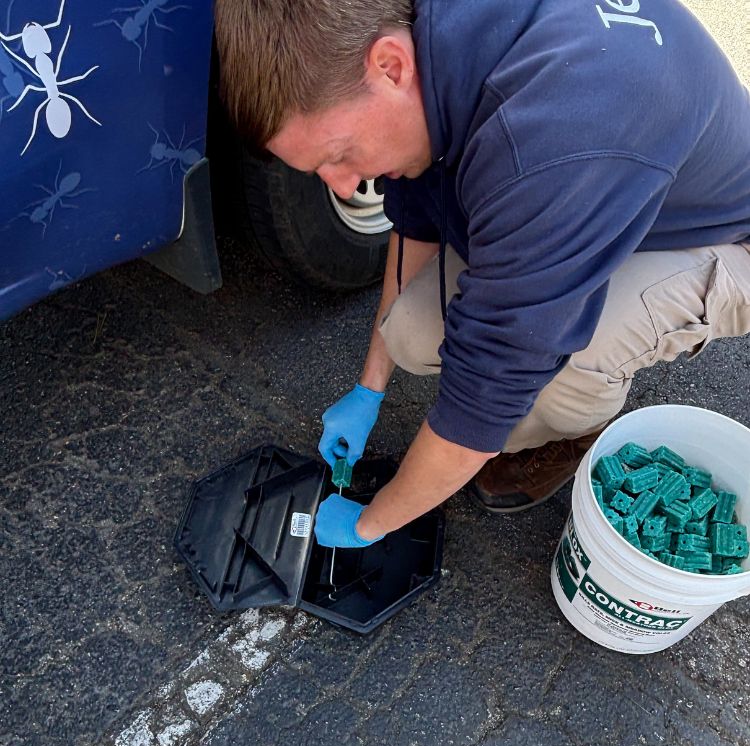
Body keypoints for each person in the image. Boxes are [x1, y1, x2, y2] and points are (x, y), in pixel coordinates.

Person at [214, 0, 750, 550]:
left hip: (718, 238)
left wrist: (370, 523)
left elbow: (486, 395)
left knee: (563, 365)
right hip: (605, 186)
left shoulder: (550, 147)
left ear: (391, 66)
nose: (345, 187)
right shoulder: (421, 45)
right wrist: (369, 388)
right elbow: (418, 218)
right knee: (411, 330)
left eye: (340, 154)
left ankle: (573, 430)